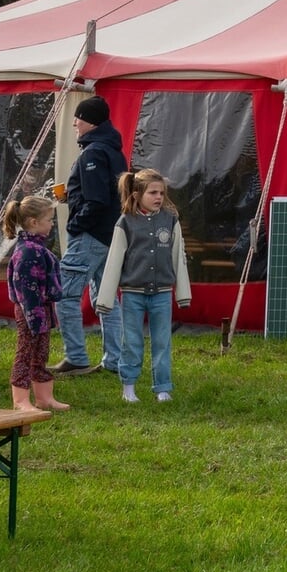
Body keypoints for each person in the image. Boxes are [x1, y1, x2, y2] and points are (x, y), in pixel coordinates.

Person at [94, 169, 191, 403]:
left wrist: (183, 293)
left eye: (162, 193)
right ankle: (128, 387)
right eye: (153, 192)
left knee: (162, 342)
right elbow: (114, 260)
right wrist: (105, 299)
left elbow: (178, 257)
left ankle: (163, 388)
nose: (158, 197)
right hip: (132, 294)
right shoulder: (125, 222)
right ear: (137, 194)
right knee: (132, 342)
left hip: (162, 294)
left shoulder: (170, 220)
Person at [53, 96, 128, 377]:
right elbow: (107, 195)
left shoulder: (93, 153)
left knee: (64, 294)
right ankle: (114, 360)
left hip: (91, 235)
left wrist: (76, 225)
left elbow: (97, 201)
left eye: (79, 118)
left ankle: (76, 357)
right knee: (105, 298)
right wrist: (72, 196)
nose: (74, 123)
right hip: (110, 235)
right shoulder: (113, 150)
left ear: (91, 122)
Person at [0, 194, 70, 412]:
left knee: (40, 353)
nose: (52, 224)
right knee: (25, 353)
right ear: (34, 222)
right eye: (49, 220)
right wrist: (34, 317)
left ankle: (44, 397)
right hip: (31, 311)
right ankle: (20, 400)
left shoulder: (37, 248)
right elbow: (26, 289)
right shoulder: (28, 251)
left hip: (41, 309)